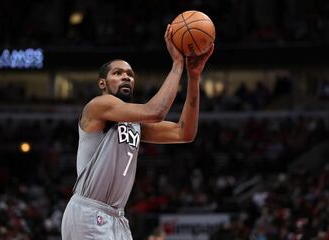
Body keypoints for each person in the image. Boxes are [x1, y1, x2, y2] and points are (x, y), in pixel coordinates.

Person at [61, 24, 214, 240]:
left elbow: (184, 133)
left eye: (130, 74)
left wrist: (194, 77)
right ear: (102, 83)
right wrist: (177, 64)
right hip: (88, 211)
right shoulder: (99, 105)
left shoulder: (134, 123)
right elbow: (156, 111)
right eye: (118, 73)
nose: (126, 77)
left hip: (117, 216)